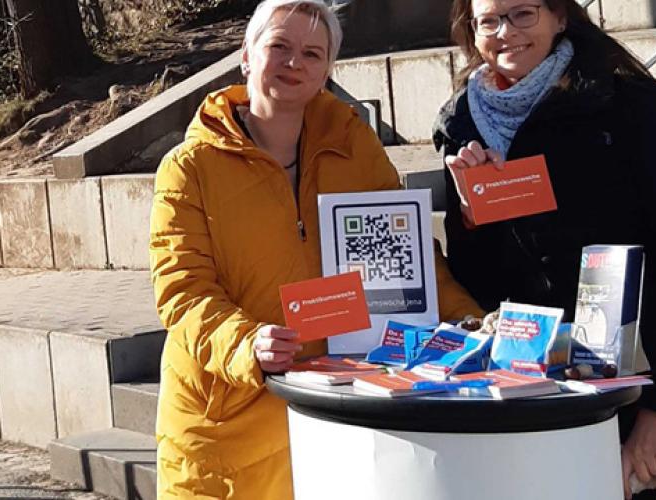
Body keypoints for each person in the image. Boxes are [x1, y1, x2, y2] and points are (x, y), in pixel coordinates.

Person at [149, 0, 485, 497]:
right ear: (246, 55)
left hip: (334, 414)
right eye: (278, 47)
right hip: (227, 425)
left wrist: (469, 321)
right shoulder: (189, 167)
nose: (294, 64)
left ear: (328, 69)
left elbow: (405, 258)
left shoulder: (358, 149)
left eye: (312, 53)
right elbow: (183, 291)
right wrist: (247, 344)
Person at [433, 1, 656, 498]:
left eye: (522, 14)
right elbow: (486, 287)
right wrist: (476, 221)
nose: (505, 33)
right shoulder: (462, 127)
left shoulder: (630, 105)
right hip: (551, 398)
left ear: (560, 17)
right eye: (489, 21)